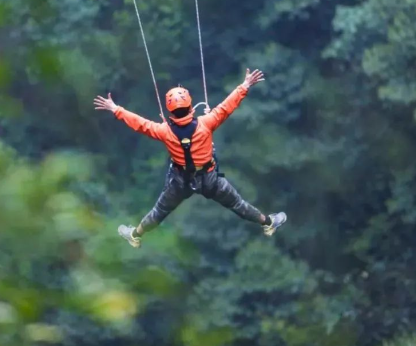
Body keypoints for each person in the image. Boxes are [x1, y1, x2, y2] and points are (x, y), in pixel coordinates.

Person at [93, 67, 287, 248]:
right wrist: (245, 85)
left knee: (160, 211)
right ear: (191, 108)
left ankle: (135, 235)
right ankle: (268, 223)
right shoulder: (206, 123)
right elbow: (227, 106)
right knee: (237, 204)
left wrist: (115, 109)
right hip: (210, 178)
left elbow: (139, 123)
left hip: (181, 181)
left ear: (170, 112)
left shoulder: (164, 131)